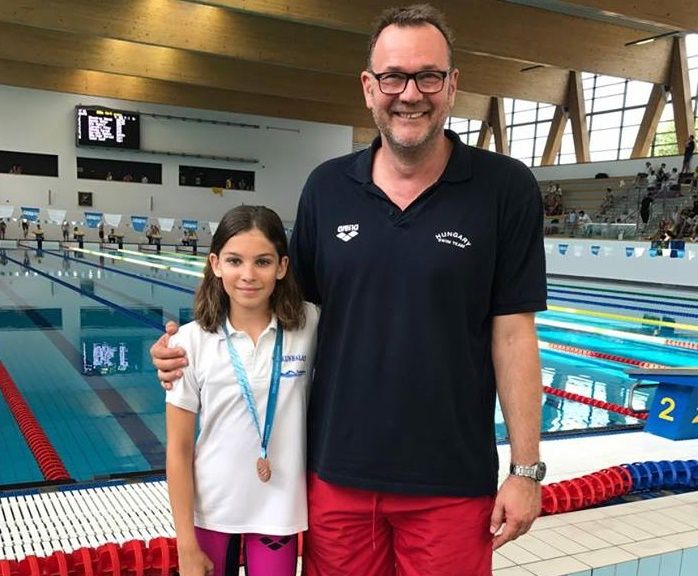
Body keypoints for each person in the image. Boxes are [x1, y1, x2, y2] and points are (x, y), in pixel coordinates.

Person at [152, 5, 546, 576]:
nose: (409, 94)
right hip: (337, 478)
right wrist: (187, 346)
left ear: (452, 84)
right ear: (368, 87)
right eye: (393, 77)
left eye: (428, 76)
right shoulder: (327, 187)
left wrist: (526, 470)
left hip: (451, 481)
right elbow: (278, 310)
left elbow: (513, 335)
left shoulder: (505, 188)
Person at [165, 205, 318, 576]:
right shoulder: (189, 341)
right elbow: (179, 449)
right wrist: (185, 544)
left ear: (282, 266)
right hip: (211, 512)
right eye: (235, 261)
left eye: (262, 262)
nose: (248, 275)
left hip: (278, 511)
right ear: (216, 264)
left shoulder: (310, 324)